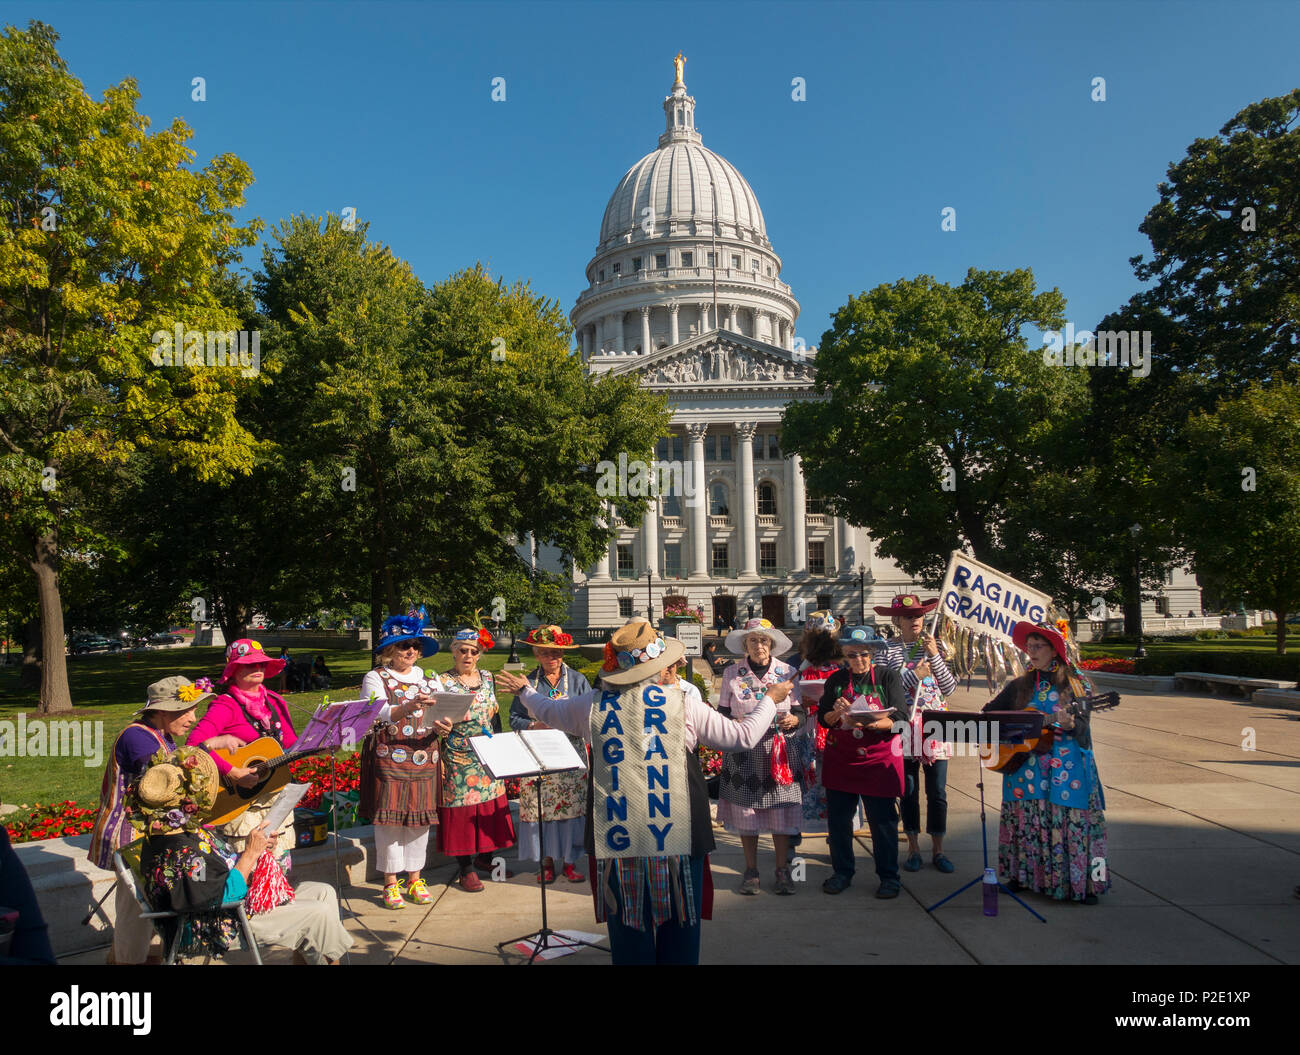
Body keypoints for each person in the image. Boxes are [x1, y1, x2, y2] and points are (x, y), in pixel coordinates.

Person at [497, 619, 790, 964]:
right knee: (680, 926)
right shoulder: (683, 703)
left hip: (617, 832)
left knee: (628, 929)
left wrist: (523, 691)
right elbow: (741, 737)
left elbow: (548, 710)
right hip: (679, 830)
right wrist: (769, 699)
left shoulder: (591, 703)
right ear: (658, 665)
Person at [131, 747, 353, 963]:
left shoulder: (182, 833)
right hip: (217, 925)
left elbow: (216, 875)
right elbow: (218, 898)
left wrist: (257, 849)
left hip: (234, 910)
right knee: (318, 913)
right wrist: (249, 855)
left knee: (322, 892)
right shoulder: (178, 851)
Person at [89, 675, 214, 964]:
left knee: (146, 910)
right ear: (161, 711)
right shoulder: (137, 737)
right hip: (133, 839)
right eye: (186, 711)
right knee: (137, 913)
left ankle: (128, 957)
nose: (194, 718)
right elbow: (167, 782)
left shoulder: (161, 736)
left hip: (152, 838)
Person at [982, 620, 1109, 904]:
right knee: (1026, 820)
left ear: (1055, 650)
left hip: (1066, 769)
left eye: (1038, 646)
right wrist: (1014, 735)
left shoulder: (1076, 684)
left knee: (1071, 823)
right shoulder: (1020, 685)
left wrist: (1071, 722)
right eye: (1029, 646)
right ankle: (1025, 878)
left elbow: (1084, 733)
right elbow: (989, 714)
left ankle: (1086, 884)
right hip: (1026, 767)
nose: (1031, 651)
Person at [359, 616, 453, 909]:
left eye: (414, 645)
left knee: (420, 822)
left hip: (425, 756)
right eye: (403, 646)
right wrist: (407, 707)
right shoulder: (376, 677)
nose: (410, 651)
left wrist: (444, 726)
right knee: (389, 821)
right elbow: (375, 714)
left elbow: (441, 713)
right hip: (390, 757)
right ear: (389, 650)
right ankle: (390, 883)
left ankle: (415, 878)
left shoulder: (430, 678)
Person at [187, 639, 297, 873]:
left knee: (279, 871)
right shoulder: (224, 705)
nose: (257, 669)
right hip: (242, 806)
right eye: (249, 665)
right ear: (233, 670)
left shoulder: (275, 701)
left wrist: (323, 742)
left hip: (275, 800)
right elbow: (194, 744)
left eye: (261, 664)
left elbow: (291, 744)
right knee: (250, 873)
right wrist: (233, 772)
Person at [818, 626, 911, 898]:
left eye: (864, 654)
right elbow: (824, 718)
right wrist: (836, 714)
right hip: (843, 758)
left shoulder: (887, 676)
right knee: (839, 821)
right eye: (852, 655)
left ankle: (889, 876)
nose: (858, 660)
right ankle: (842, 872)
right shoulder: (835, 680)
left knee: (883, 821)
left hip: (878, 756)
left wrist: (871, 721)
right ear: (844, 655)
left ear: (872, 653)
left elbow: (901, 718)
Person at [716, 617, 804, 895]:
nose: (759, 645)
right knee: (746, 813)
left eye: (763, 640)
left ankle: (782, 870)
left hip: (779, 751)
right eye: (752, 640)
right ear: (745, 645)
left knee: (781, 812)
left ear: (772, 644)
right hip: (744, 751)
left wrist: (795, 720)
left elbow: (801, 711)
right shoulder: (732, 673)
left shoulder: (787, 672)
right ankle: (751, 870)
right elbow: (723, 713)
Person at [875, 594, 958, 874]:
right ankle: (912, 847)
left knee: (937, 791)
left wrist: (934, 656)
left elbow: (949, 688)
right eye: (909, 617)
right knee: (908, 791)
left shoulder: (938, 646)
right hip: (904, 725)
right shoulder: (886, 649)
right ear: (896, 620)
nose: (915, 621)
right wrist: (915, 675)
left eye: (919, 616)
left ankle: (939, 849)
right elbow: (885, 690)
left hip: (935, 726)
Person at [508, 625, 590, 884]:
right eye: (545, 653)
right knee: (541, 811)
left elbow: (590, 714)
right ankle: (545, 862)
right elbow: (514, 718)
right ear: (536, 654)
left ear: (563, 654)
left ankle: (569, 861)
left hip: (570, 754)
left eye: (555, 653)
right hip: (539, 755)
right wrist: (534, 725)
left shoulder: (577, 681)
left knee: (572, 809)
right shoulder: (527, 682)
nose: (551, 658)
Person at [438, 626, 515, 891]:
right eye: (463, 650)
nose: (468, 656)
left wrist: (501, 745)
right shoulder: (443, 681)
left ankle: (486, 858)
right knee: (463, 808)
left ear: (480, 654)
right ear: (453, 652)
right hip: (458, 753)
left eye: (473, 651)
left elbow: (494, 715)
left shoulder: (487, 677)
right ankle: (465, 867)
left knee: (489, 806)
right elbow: (436, 720)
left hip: (488, 751)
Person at [790, 612, 854, 838]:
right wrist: (799, 699)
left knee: (837, 779)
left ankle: (836, 834)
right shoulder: (797, 661)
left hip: (839, 726)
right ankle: (796, 830)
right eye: (819, 637)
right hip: (807, 726)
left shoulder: (846, 660)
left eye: (828, 636)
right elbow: (784, 689)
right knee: (804, 777)